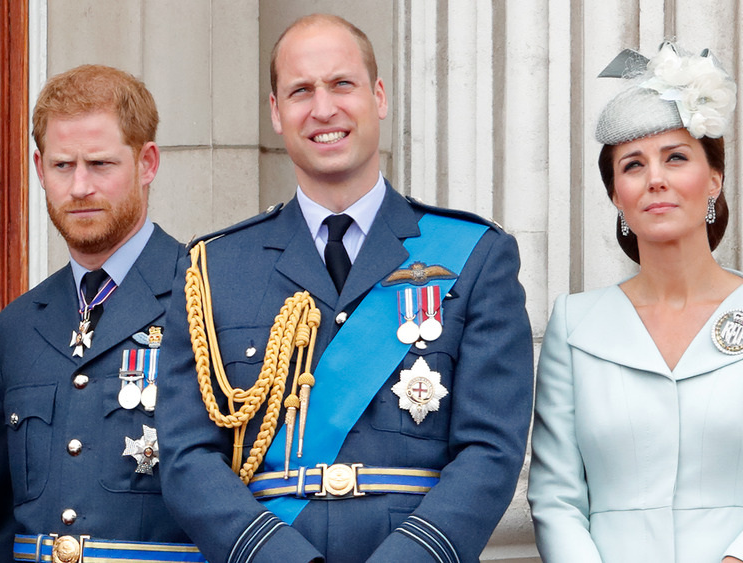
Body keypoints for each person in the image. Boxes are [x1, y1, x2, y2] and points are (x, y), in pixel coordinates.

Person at [157, 14, 533, 563]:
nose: (323, 108)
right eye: (300, 90)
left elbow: (490, 449)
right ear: (276, 113)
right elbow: (188, 457)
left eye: (342, 84)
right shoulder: (213, 268)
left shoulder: (475, 254)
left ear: (378, 96)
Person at [528, 42, 743, 563]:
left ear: (714, 179)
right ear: (615, 196)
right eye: (633, 165)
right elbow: (555, 495)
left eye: (676, 157)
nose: (656, 180)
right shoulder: (575, 324)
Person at [0, 65, 202, 563]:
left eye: (100, 164)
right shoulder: (14, 327)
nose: (80, 186)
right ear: (39, 169)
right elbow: (2, 523)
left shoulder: (205, 297)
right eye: (63, 166)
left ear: (147, 163)